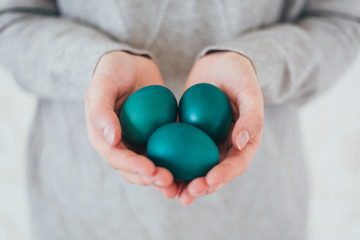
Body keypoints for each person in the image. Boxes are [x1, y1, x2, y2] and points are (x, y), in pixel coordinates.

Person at [1, 0, 359, 239]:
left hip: (255, 214)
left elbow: (343, 21)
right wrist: (96, 66)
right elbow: (12, 19)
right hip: (83, 213)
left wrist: (254, 65)